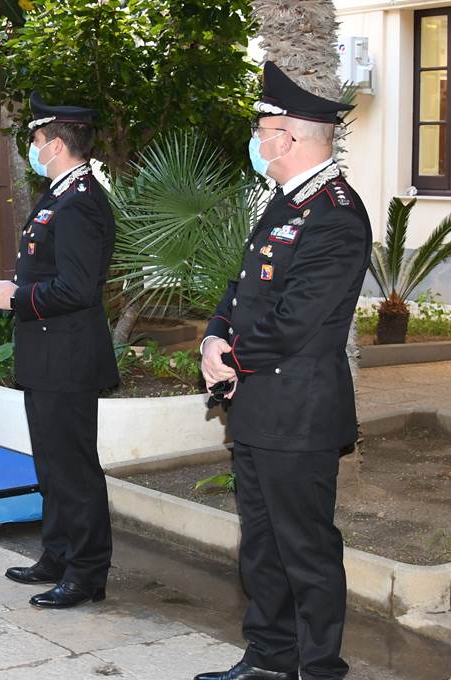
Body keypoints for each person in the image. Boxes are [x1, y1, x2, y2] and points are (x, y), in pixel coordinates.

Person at [195, 62, 372, 680]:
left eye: (264, 130)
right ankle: (269, 657)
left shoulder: (336, 213)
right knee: (263, 548)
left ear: (289, 137)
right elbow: (243, 288)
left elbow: (298, 322)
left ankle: (320, 667)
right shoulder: (284, 201)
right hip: (257, 408)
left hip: (299, 414)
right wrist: (215, 335)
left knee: (307, 550)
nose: (258, 141)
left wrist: (231, 358)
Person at [0, 91, 119, 609]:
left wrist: (18, 295)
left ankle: (87, 572)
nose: (33, 149)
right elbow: (47, 272)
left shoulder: (82, 200)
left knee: (74, 468)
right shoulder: (59, 194)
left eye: (37, 141)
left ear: (57, 144)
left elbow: (79, 288)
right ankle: (58, 553)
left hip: (68, 356)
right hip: (45, 351)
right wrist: (9, 288)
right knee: (51, 463)